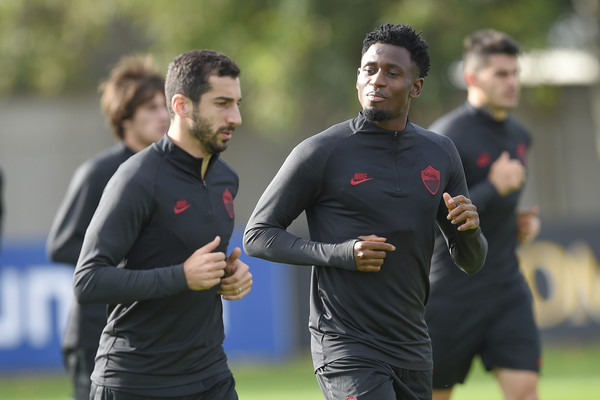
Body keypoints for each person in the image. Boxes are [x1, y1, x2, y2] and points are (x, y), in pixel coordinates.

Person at [244, 23, 488, 400]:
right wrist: (342, 253)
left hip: (412, 345)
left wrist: (471, 231)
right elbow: (258, 235)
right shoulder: (321, 152)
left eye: (392, 73)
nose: (377, 80)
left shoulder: (440, 153)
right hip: (345, 343)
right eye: (370, 70)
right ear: (358, 76)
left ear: (416, 87)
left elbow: (470, 261)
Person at [73, 49, 252, 400]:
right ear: (181, 105)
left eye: (236, 103)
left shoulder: (226, 179)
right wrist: (181, 276)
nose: (236, 117)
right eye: (222, 104)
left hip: (210, 375)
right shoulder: (137, 178)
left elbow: (186, 258)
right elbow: (88, 281)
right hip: (136, 382)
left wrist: (228, 276)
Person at [425, 29, 541, 400]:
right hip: (451, 294)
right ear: (472, 78)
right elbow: (429, 216)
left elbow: (495, 210)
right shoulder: (445, 138)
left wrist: (518, 225)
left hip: (507, 288)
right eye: (501, 74)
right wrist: (492, 186)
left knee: (525, 391)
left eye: (515, 73)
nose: (512, 82)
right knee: (434, 395)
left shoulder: (520, 135)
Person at [46, 54, 170, 400]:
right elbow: (61, 245)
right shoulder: (99, 172)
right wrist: (129, 267)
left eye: (165, 106)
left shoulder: (168, 171)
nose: (163, 115)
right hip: (95, 335)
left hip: (148, 332)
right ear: (122, 117)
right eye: (150, 108)